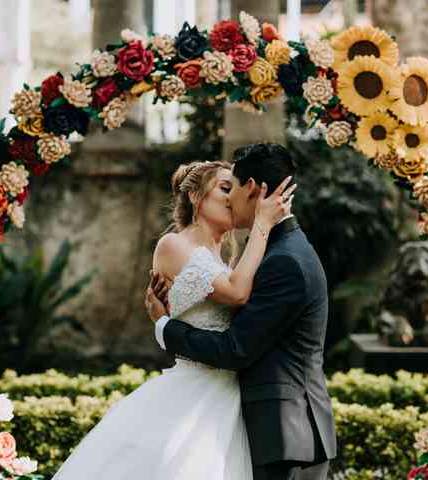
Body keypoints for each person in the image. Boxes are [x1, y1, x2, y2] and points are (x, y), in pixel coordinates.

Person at [52, 155, 293, 479]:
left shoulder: (227, 258)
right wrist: (262, 225)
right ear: (195, 196)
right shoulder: (173, 245)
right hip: (195, 392)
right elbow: (238, 293)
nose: (232, 196)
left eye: (235, 189)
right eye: (224, 187)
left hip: (231, 394)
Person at [146, 143, 337, 480]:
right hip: (250, 420)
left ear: (250, 188)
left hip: (284, 435)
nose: (229, 198)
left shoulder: (283, 260)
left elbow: (236, 347)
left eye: (230, 187)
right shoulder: (271, 251)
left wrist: (163, 326)